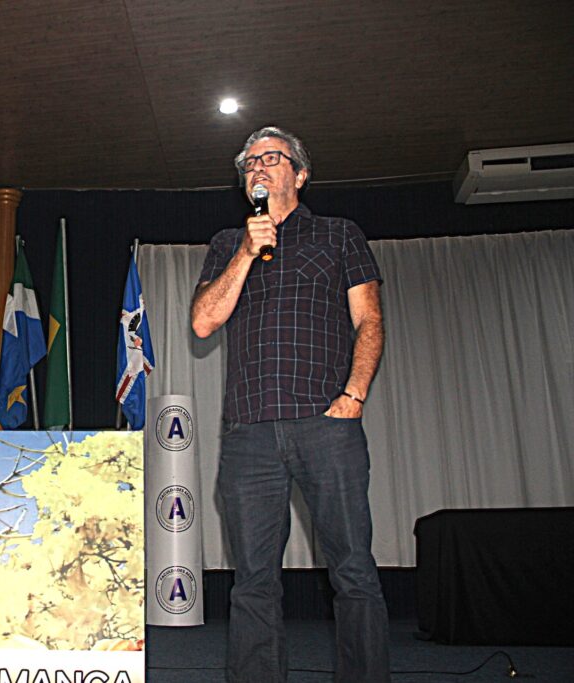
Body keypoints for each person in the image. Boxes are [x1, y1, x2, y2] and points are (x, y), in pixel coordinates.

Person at [191, 126, 389, 683]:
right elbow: (204, 321)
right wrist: (248, 253)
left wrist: (353, 397)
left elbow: (368, 319)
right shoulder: (228, 244)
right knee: (253, 580)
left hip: (325, 424)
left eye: (270, 158)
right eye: (249, 162)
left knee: (352, 570)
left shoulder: (339, 235)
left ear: (299, 174)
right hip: (249, 433)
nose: (257, 167)